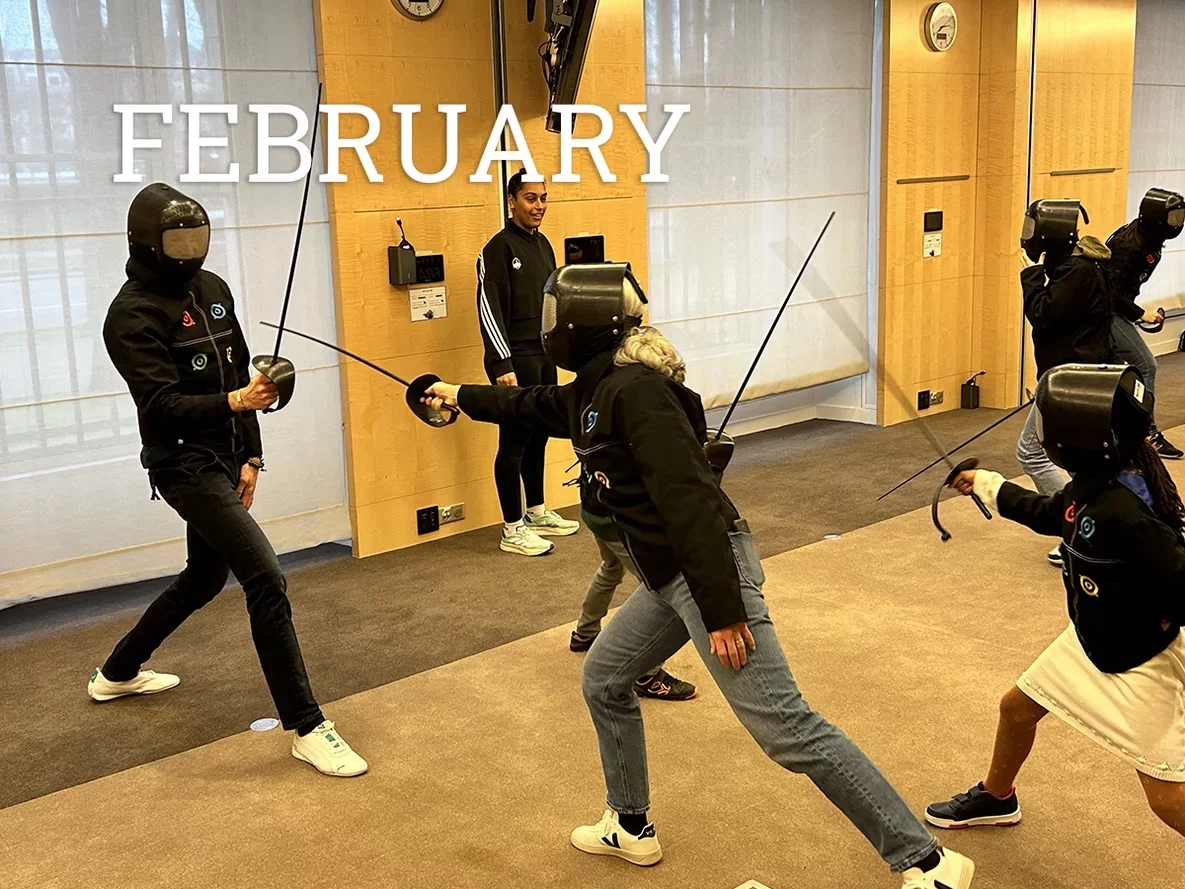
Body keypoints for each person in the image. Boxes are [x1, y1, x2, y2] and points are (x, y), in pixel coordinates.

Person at [424, 264, 975, 888]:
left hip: (706, 569)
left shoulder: (638, 393)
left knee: (787, 728)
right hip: (670, 576)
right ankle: (630, 824)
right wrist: (455, 392)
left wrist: (722, 610)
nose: (550, 327)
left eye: (556, 316)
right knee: (605, 678)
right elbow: (526, 404)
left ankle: (928, 862)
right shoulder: (596, 391)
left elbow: (690, 502)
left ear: (582, 323)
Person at [91, 183, 366, 778]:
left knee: (204, 576)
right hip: (181, 463)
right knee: (264, 575)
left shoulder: (213, 288)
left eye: (198, 238)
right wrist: (238, 402)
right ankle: (307, 726)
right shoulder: (130, 314)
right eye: (177, 241)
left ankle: (116, 672)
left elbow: (242, 375)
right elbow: (160, 406)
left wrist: (253, 454)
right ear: (147, 242)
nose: (190, 251)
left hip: (227, 454)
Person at [927, 364, 1185, 838]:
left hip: (1138, 659)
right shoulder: (1096, 485)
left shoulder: (1126, 512)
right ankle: (998, 796)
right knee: (1017, 709)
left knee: (1168, 799)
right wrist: (985, 483)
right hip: (1091, 639)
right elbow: (1048, 513)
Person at [475, 167, 578, 556]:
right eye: (531, 198)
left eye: (543, 198)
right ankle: (512, 529)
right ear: (512, 201)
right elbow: (489, 310)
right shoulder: (497, 249)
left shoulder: (544, 244)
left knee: (540, 434)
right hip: (515, 359)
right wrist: (501, 364)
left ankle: (536, 512)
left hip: (543, 355)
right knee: (514, 442)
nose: (539, 206)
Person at [1017, 199, 1116, 566]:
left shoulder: (1075, 272)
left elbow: (1043, 314)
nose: (1027, 236)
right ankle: (1097, 527)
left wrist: (1030, 276)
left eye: (1032, 229)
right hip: (1073, 377)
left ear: (1050, 235)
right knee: (1082, 463)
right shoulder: (1077, 267)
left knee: (1031, 453)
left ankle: (1079, 529)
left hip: (1071, 382)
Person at [1104, 187, 1185, 459]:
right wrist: (1140, 314)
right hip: (1103, 313)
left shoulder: (1148, 240)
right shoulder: (1129, 246)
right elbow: (1110, 293)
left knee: (1120, 374)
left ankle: (1122, 432)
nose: (1178, 223)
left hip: (1116, 309)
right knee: (1146, 365)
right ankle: (1147, 435)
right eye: (1173, 217)